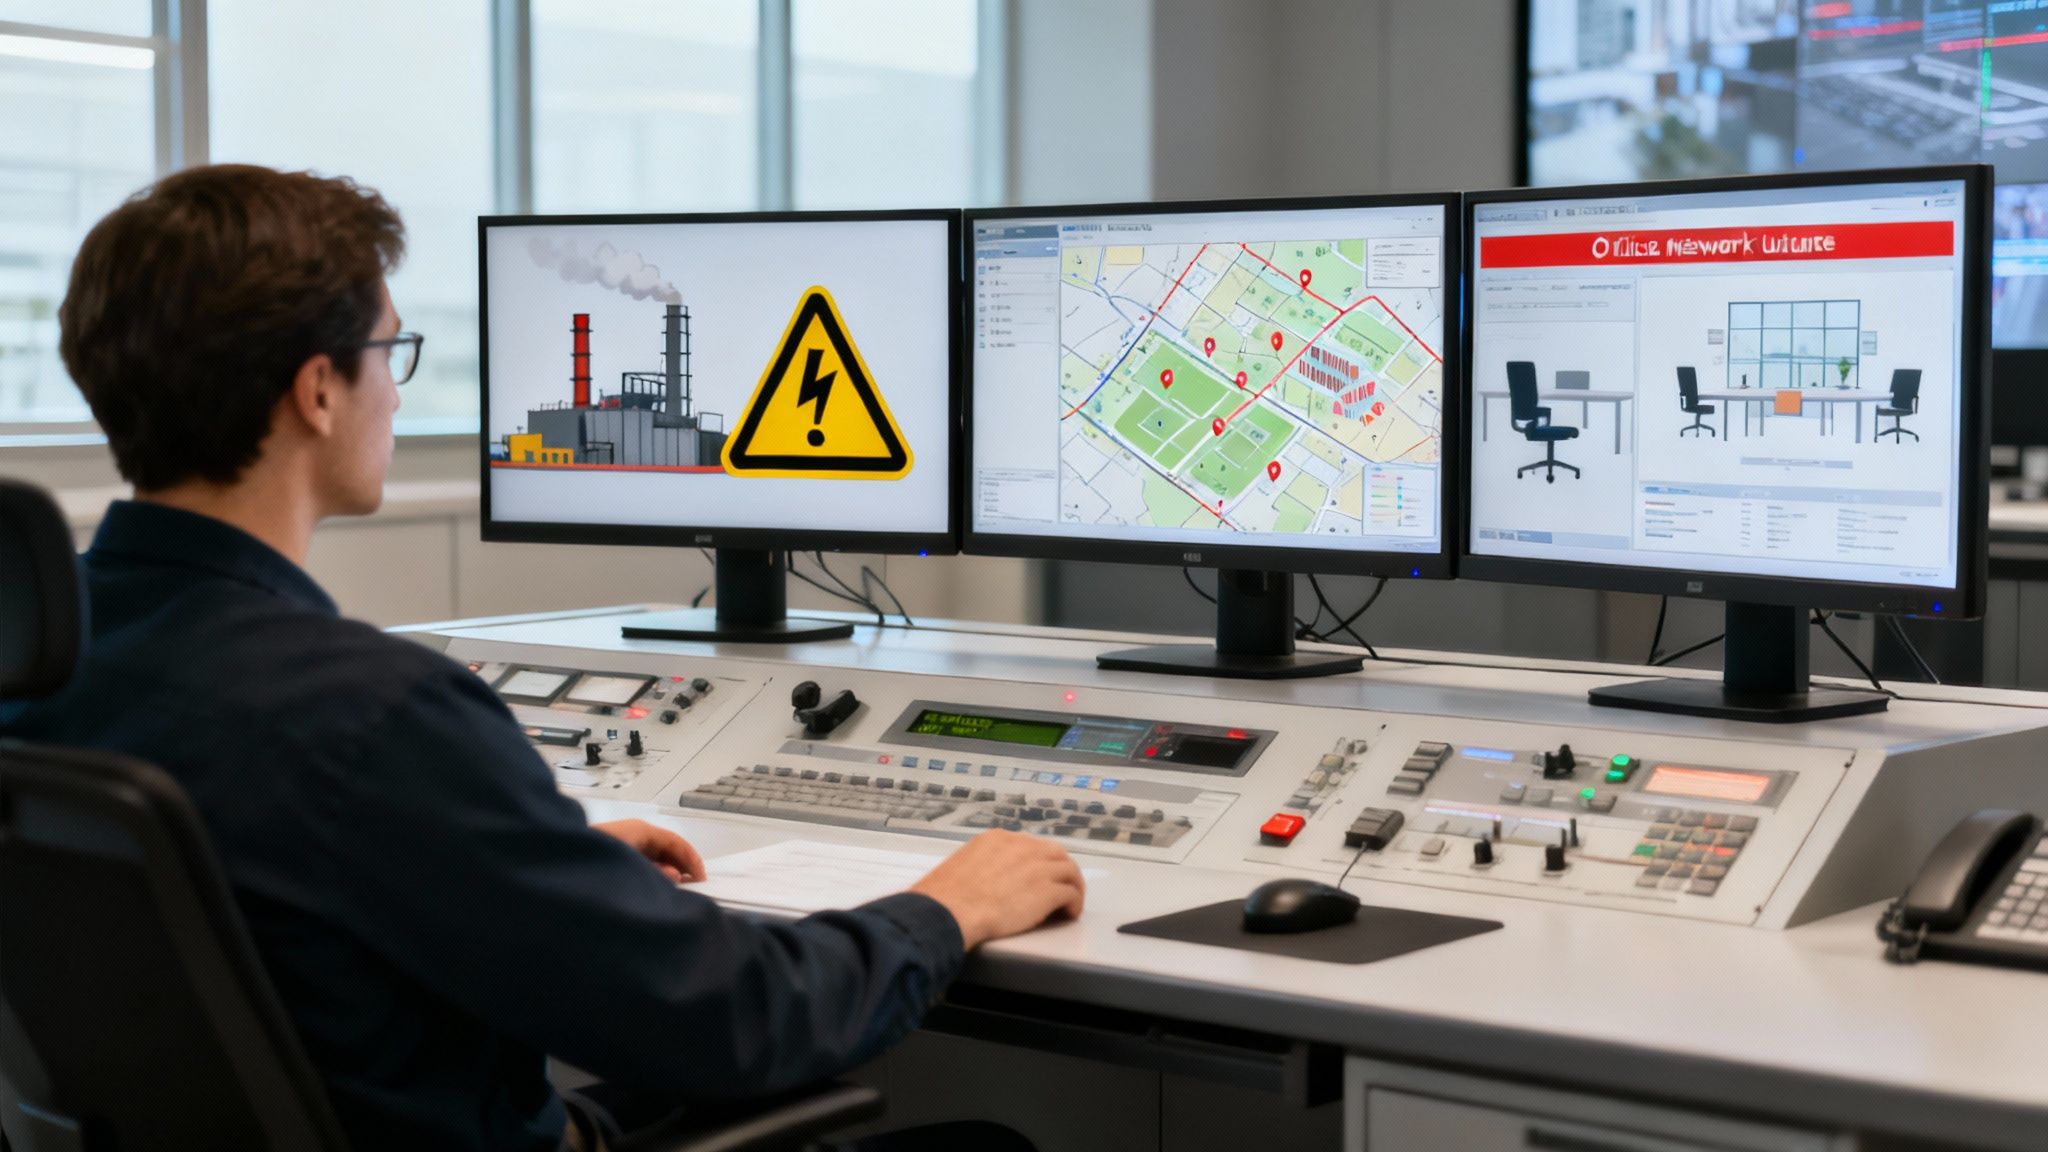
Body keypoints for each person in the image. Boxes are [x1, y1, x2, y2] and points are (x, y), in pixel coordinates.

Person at [0, 164, 1086, 1151]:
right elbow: (734, 1020)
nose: (394, 390)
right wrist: (949, 907)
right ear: (317, 390)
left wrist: (519, 867)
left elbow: (266, 903)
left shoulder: (47, 658)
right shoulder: (375, 716)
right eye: (388, 354)